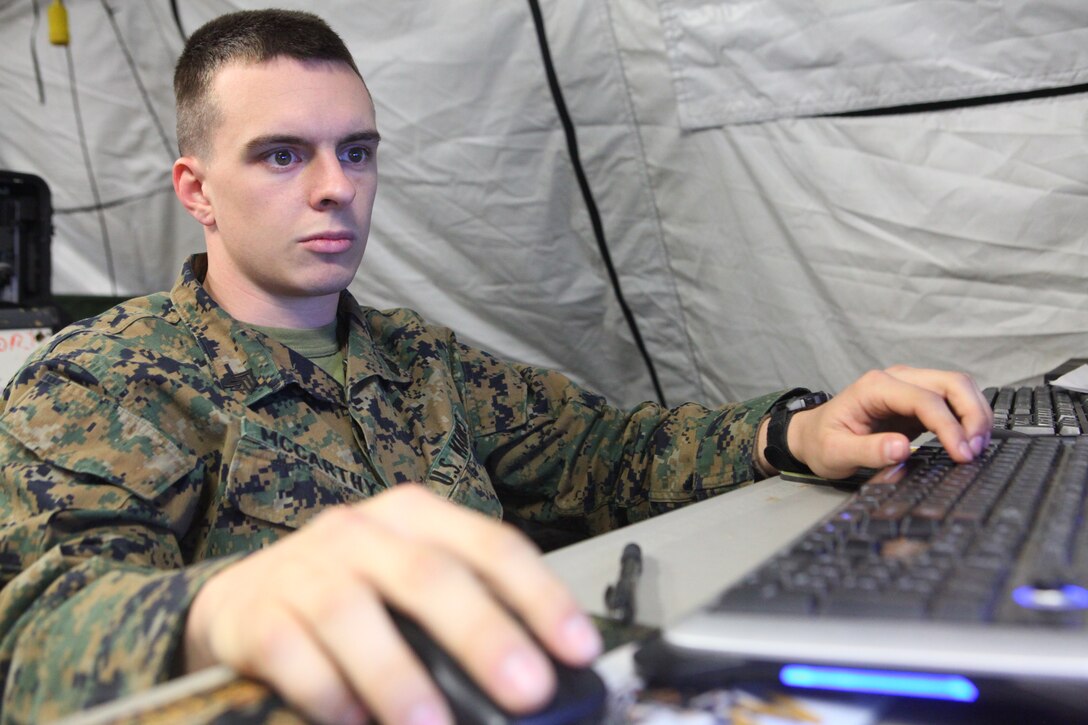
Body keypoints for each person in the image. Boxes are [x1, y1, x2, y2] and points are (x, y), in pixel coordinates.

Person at [0, 9, 992, 725]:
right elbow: (31, 628)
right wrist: (225, 607)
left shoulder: (418, 357)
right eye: (280, 155)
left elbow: (601, 452)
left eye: (357, 149)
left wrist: (795, 432)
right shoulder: (106, 380)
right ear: (196, 190)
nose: (336, 187)